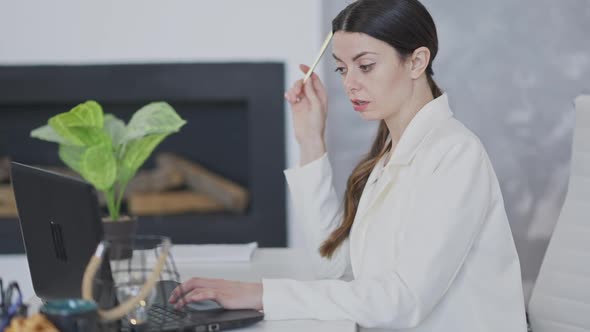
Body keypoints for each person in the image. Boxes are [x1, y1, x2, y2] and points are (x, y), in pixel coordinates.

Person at [169, 0, 527, 330]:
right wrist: (311, 140)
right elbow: (335, 267)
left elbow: (403, 302)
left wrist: (261, 294)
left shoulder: (455, 155)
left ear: (417, 61)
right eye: (342, 69)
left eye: (366, 66)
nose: (350, 84)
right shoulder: (391, 152)